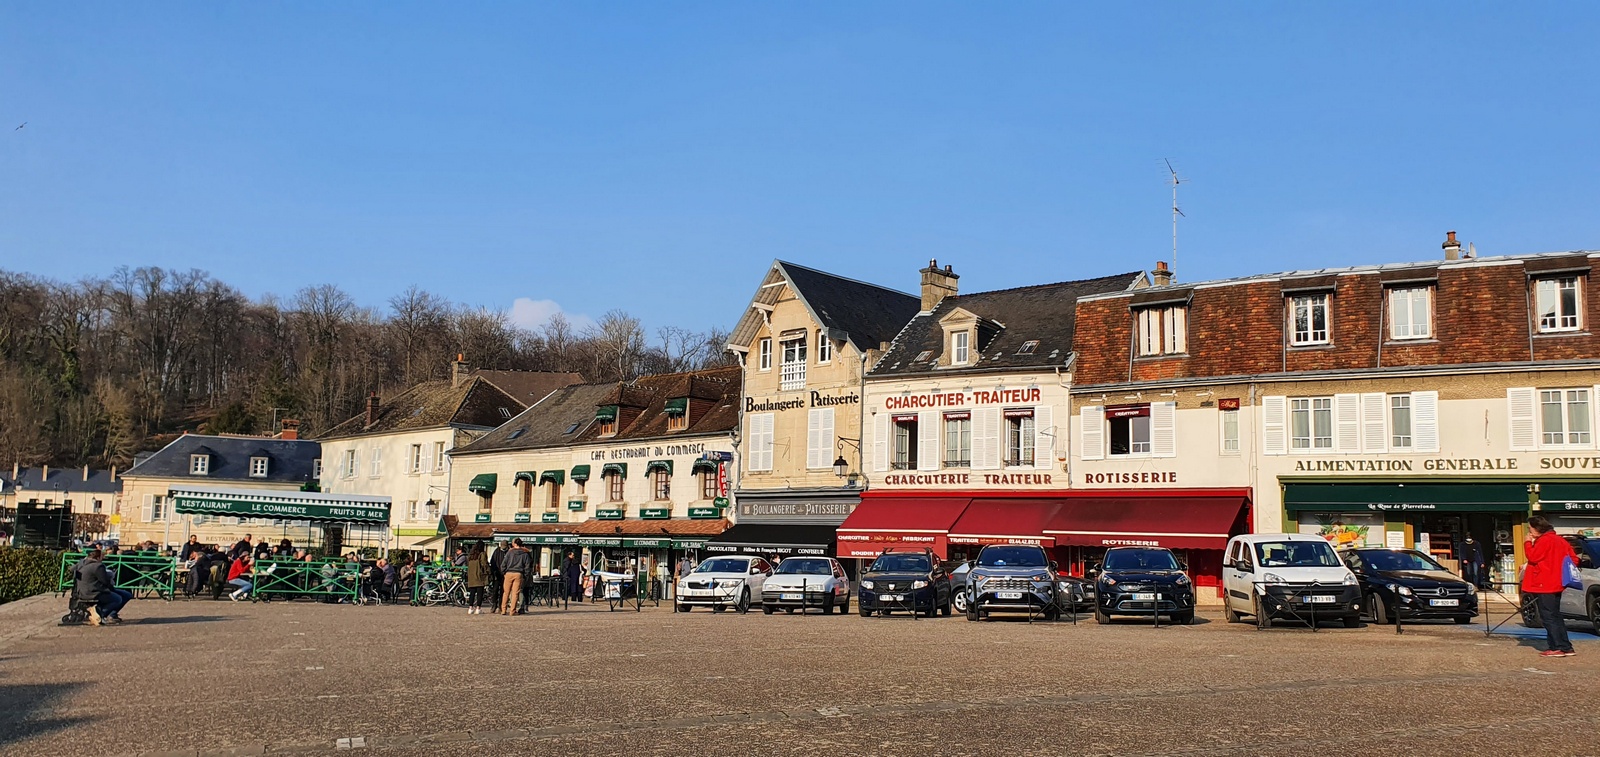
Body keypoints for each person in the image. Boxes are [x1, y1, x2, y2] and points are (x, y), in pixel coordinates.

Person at [1522, 514, 1578, 658]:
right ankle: (1565, 646)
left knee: (1548, 616)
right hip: (1557, 582)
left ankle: (1557, 647)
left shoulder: (1544, 541)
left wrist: (1527, 543)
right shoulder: (1560, 540)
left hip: (1544, 583)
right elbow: (1574, 559)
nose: (1529, 531)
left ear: (1537, 528)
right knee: (1556, 615)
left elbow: (1533, 556)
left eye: (1530, 528)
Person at [72, 548, 127, 625]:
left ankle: (110, 614)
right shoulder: (98, 566)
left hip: (82, 591)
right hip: (94, 592)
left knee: (125, 594)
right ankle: (98, 614)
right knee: (118, 599)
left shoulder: (82, 563)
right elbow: (104, 581)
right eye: (102, 557)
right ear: (97, 558)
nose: (103, 559)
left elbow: (71, 569)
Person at [500, 539, 531, 615]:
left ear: (514, 544)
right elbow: (527, 566)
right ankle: (512, 611)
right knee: (515, 593)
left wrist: (504, 572)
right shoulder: (525, 554)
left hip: (509, 573)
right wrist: (525, 576)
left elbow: (503, 564)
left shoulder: (509, 552)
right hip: (518, 574)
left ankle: (503, 610)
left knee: (506, 592)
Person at [465, 543, 491, 615]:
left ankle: (470, 608)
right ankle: (478, 608)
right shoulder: (482, 554)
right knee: (480, 593)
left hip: (471, 576)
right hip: (479, 575)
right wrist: (489, 571)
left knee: (472, 593)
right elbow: (484, 564)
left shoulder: (471, 555)